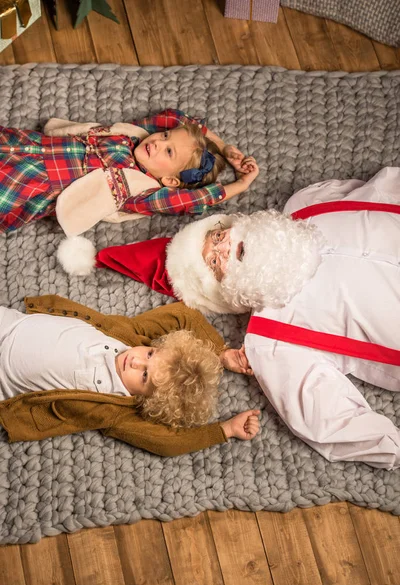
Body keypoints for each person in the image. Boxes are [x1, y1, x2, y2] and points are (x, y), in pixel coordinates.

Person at [94, 166, 400, 470]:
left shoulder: (307, 204)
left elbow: (385, 187)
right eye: (213, 261)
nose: (224, 247)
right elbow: (328, 418)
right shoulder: (271, 341)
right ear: (225, 290)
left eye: (215, 236)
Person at [0, 295, 260, 456]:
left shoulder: (116, 411)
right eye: (149, 355)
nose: (134, 361)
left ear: (149, 400)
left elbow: (168, 443)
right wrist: (221, 354)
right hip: (12, 324)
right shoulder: (132, 335)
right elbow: (185, 316)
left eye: (144, 376)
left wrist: (225, 429)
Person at [0, 108, 258, 240]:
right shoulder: (135, 137)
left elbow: (192, 200)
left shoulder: (142, 191)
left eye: (168, 152)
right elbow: (176, 119)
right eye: (165, 137)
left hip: (33, 182)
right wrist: (224, 147)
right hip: (32, 146)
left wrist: (241, 184)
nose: (158, 142)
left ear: (170, 180)